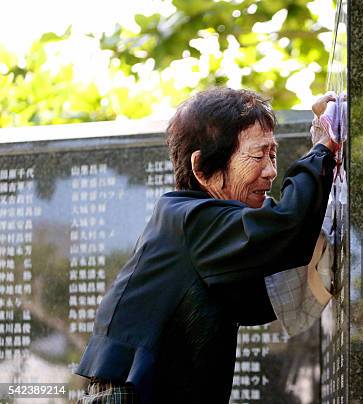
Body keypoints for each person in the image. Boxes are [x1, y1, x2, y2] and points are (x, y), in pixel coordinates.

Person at [75, 87, 340, 403]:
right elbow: (286, 228)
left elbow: (260, 300)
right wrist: (324, 145)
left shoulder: (201, 232)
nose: (270, 171)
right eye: (258, 155)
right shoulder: (190, 219)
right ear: (202, 169)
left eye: (273, 154)